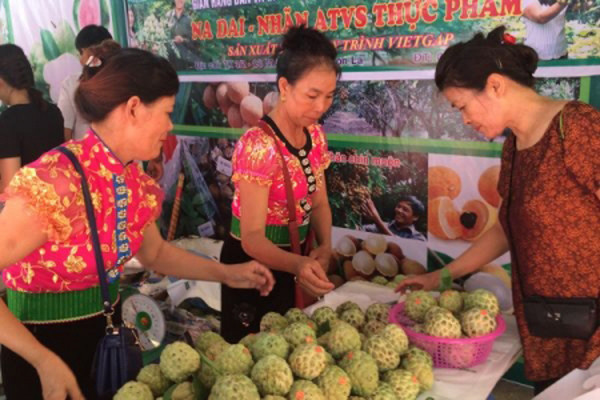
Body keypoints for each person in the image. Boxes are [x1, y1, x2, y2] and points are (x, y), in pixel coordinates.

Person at [0, 41, 274, 400]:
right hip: (39, 349)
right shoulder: (54, 181)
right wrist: (42, 360)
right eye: (166, 112)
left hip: (103, 342)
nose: (170, 125)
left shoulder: (132, 181)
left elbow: (155, 254)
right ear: (133, 109)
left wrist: (228, 274)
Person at [397, 26, 600, 395]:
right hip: (548, 330)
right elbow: (508, 227)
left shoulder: (578, 128)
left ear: (494, 85)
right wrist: (441, 277)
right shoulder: (515, 148)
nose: (465, 120)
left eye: (462, 106)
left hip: (594, 334)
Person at [221, 25, 337, 343]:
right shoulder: (258, 144)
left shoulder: (315, 136)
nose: (321, 107)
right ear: (285, 87)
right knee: (252, 359)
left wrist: (325, 248)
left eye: (329, 96)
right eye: (312, 96)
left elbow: (320, 203)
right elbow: (253, 238)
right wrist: (298, 265)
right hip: (253, 269)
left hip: (296, 259)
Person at [0, 44, 63, 194]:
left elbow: (11, 187)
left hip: (28, 210)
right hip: (57, 204)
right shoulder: (53, 111)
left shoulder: (8, 121)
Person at [57, 25, 112, 142]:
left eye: (81, 53)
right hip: (123, 157)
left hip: (86, 157)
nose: (80, 60)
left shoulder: (71, 84)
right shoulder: (124, 79)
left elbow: (66, 131)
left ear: (86, 52)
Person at [362, 195, 426, 241]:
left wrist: (377, 220)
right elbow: (361, 229)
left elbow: (400, 247)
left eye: (405, 209)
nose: (399, 210)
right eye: (398, 206)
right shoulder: (384, 225)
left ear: (415, 217)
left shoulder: (418, 238)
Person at [166, 0, 194, 70]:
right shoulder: (167, 16)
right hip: (169, 59)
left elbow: (193, 40)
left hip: (184, 60)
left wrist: (183, 40)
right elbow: (163, 36)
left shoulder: (189, 19)